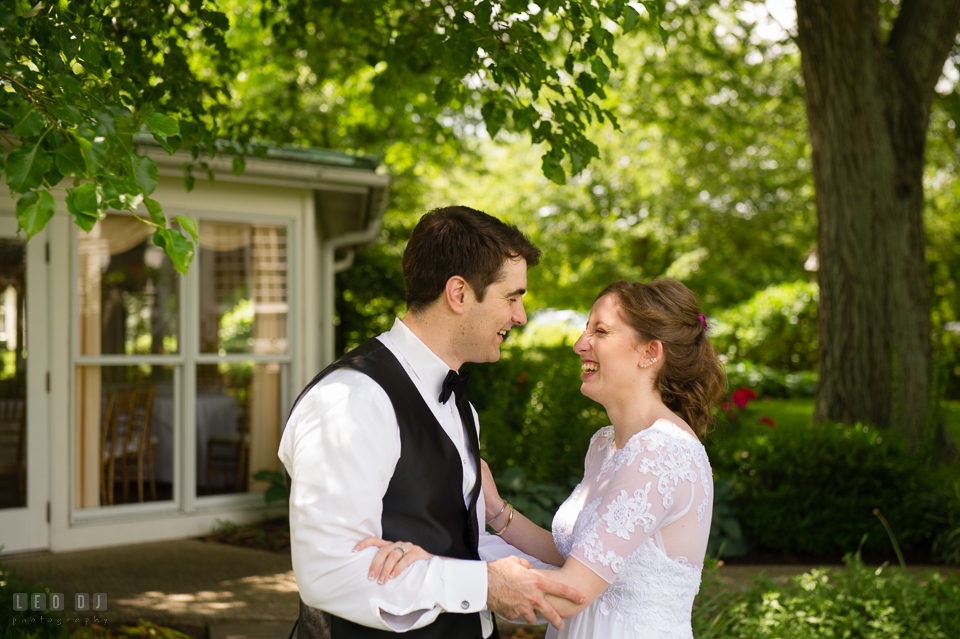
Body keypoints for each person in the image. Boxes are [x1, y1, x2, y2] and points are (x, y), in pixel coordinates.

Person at [278, 205, 585, 639]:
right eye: (511, 297)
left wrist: (553, 582)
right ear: (458, 293)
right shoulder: (351, 400)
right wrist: (483, 586)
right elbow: (328, 572)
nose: (520, 317)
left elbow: (459, 544)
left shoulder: (459, 403)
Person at [365, 278, 725, 638]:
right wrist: (494, 508)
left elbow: (572, 593)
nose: (579, 344)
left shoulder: (661, 451)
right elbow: (578, 556)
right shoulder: (605, 445)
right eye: (585, 329)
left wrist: (428, 568)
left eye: (600, 331)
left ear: (650, 353)